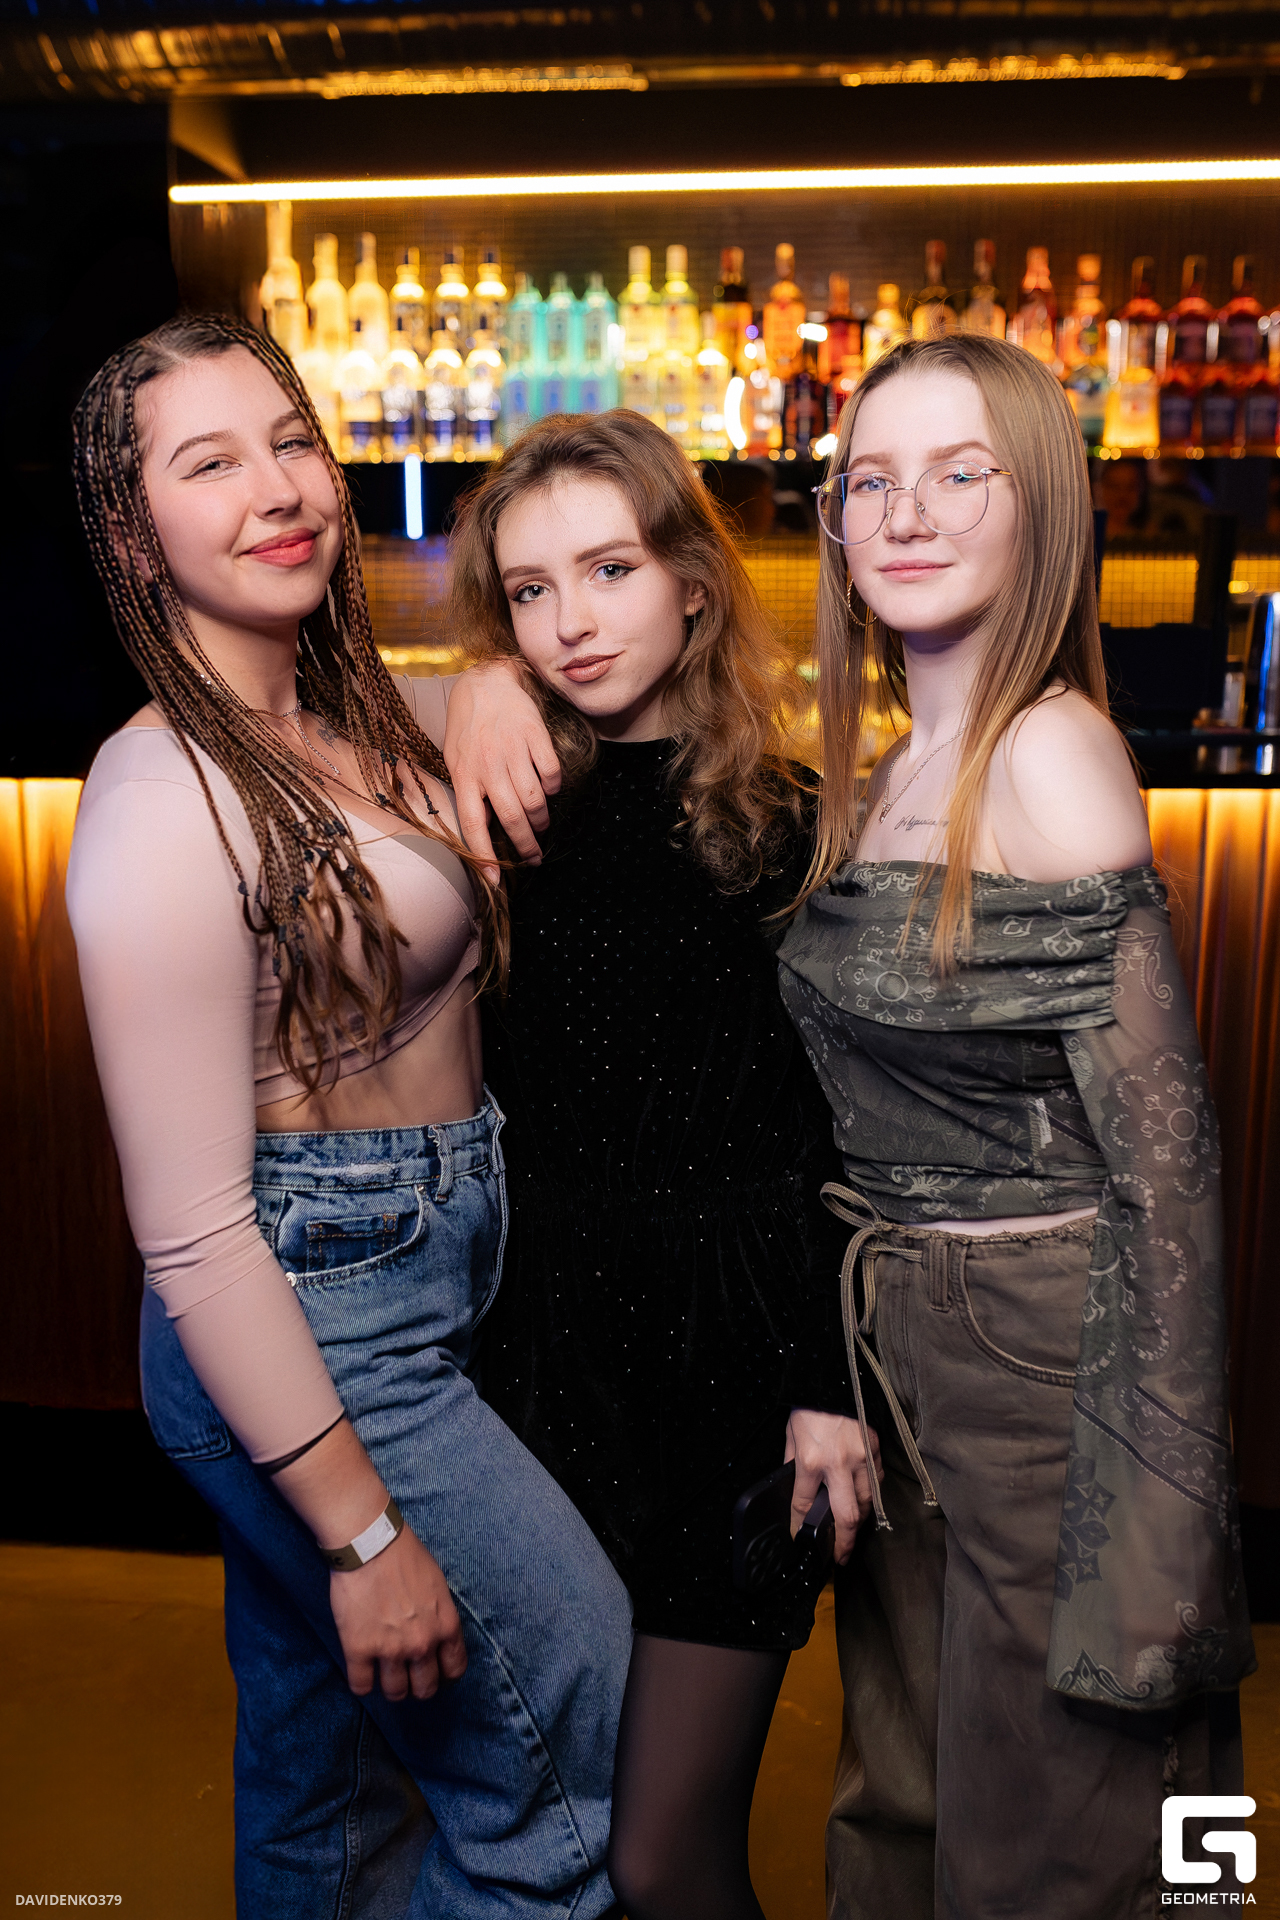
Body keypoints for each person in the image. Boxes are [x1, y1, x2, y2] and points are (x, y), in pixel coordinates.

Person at [65, 314, 631, 1920]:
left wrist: (493, 673)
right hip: (313, 1314)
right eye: (209, 463)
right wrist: (364, 1536)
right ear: (132, 535)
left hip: (409, 1276)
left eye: (292, 441)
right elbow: (191, 1231)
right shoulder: (159, 801)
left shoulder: (343, 718)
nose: (278, 488)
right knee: (563, 1739)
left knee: (332, 1790)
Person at [775, 333, 1256, 1917]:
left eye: (958, 472)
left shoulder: (1048, 749)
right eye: (870, 481)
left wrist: (1167, 1537)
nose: (905, 513)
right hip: (910, 1340)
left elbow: (1169, 1169)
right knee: (916, 1798)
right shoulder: (891, 764)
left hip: (1052, 1349)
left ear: (1040, 503)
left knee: (1077, 1831)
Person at [441, 410, 880, 1920]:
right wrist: (468, 687)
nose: (570, 621)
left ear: (693, 579)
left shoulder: (793, 825)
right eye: (529, 591)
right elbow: (303, 718)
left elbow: (829, 1135)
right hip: (537, 1365)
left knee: (662, 1859)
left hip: (732, 1372)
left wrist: (828, 1383)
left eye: (610, 568)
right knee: (554, 1835)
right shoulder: (495, 808)